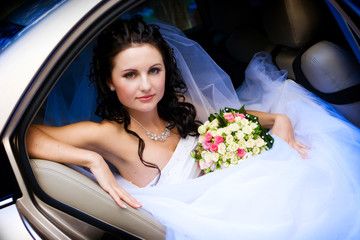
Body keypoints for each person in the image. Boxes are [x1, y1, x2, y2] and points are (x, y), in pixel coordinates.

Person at [26, 15, 360, 239]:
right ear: (109, 82)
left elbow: (236, 116)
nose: (146, 86)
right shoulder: (107, 134)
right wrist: (92, 160)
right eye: (130, 75)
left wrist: (279, 121)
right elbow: (24, 135)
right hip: (216, 223)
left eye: (154, 70)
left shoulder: (180, 110)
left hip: (242, 197)